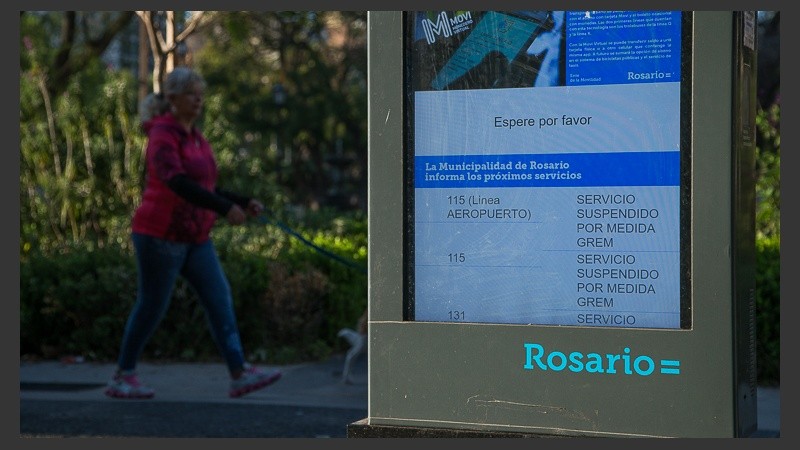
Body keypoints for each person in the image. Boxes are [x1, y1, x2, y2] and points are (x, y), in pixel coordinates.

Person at [105, 67, 281, 399]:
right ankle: (122, 375)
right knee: (152, 306)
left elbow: (207, 185)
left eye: (200, 93)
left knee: (219, 299)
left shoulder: (196, 138)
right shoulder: (163, 135)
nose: (198, 99)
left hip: (195, 238)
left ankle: (239, 373)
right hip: (160, 235)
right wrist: (224, 209)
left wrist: (242, 201)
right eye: (190, 93)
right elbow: (177, 182)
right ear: (172, 99)